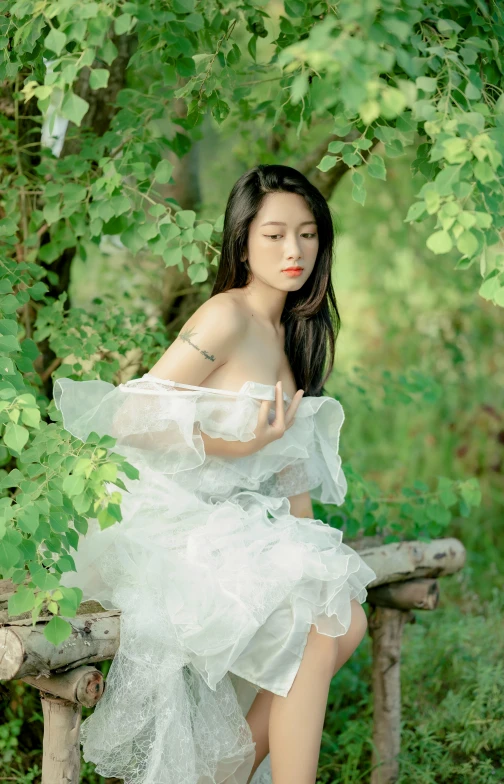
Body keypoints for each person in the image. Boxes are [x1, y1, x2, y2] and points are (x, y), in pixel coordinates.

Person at [53, 163, 377, 784]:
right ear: (243, 241)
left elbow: (289, 464)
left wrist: (313, 556)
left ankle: (221, 777)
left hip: (228, 521)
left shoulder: (293, 333)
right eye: (275, 234)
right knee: (315, 628)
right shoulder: (226, 317)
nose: (293, 250)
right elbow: (130, 415)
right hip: (164, 517)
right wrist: (238, 445)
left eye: (307, 234)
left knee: (346, 616)